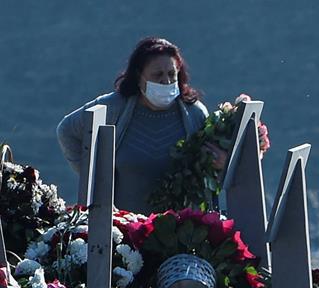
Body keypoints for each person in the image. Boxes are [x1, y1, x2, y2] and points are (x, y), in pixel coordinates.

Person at [57, 37, 208, 214]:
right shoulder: (114, 107)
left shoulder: (195, 115)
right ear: (139, 76)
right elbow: (66, 130)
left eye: (171, 74)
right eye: (157, 75)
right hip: (124, 231)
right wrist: (94, 179)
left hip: (180, 231)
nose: (166, 82)